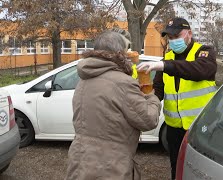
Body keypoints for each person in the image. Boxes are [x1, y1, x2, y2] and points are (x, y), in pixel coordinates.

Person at [65, 30, 161, 180]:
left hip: (81, 159)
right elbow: (148, 120)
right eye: (127, 48)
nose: (130, 53)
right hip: (110, 166)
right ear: (119, 52)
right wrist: (151, 97)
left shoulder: (84, 79)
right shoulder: (123, 82)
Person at [137, 17, 217, 180]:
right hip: (174, 128)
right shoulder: (167, 59)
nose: (173, 41)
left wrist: (166, 66)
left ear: (189, 33)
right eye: (170, 38)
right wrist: (146, 100)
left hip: (200, 126)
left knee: (201, 169)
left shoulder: (204, 52)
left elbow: (199, 70)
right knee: (177, 166)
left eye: (177, 36)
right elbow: (159, 89)